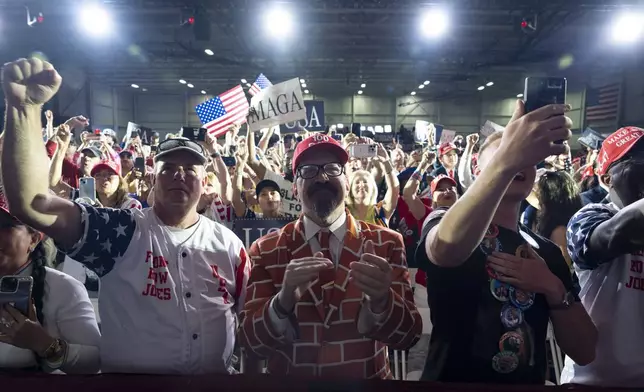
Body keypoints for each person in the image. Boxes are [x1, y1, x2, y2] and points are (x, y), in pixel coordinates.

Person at [1, 57, 250, 374]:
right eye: (168, 168)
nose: (179, 175)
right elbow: (31, 205)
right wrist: (24, 110)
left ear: (205, 181)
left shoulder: (229, 245)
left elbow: (250, 319)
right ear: (152, 178)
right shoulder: (120, 230)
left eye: (190, 169)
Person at [416, 101, 597, 384]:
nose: (518, 162)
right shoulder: (443, 220)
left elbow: (585, 351)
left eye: (527, 158)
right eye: (506, 153)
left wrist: (551, 286)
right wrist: (506, 160)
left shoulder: (545, 251)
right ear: (478, 167)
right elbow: (446, 249)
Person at [240, 133, 422, 378]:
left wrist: (382, 302)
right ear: (294, 189)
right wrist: (280, 304)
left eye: (332, 168)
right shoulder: (266, 250)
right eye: (308, 170)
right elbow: (251, 344)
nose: (322, 176)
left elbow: (408, 337)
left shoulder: (386, 242)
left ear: (347, 183)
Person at [562, 126, 644, 387]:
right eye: (639, 161)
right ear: (607, 179)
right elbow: (611, 238)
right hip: (591, 381)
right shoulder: (589, 217)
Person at [0, 205, 100, 373]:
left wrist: (45, 344)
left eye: (3, 226)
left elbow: (94, 360)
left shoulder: (64, 288)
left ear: (34, 239)